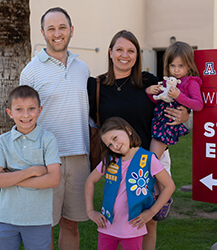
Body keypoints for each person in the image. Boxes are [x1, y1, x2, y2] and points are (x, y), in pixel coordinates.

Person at [87, 30, 189, 250]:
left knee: (148, 222)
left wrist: (185, 114)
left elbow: (178, 102)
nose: (125, 55)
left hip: (153, 159)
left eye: (131, 50)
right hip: (118, 163)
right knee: (120, 217)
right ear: (110, 52)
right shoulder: (96, 86)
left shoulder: (148, 81)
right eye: (120, 49)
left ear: (137, 55)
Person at [20, 7, 90, 250]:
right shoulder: (31, 71)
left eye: (62, 27)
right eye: (51, 28)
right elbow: (23, 119)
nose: (57, 33)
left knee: (71, 223)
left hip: (80, 156)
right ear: (42, 32)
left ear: (71, 31)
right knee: (44, 225)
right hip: (45, 159)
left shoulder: (83, 68)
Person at [85, 117, 175, 250]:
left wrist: (151, 212)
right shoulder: (110, 161)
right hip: (107, 226)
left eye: (115, 138)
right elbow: (90, 181)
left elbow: (169, 186)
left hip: (133, 227)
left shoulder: (148, 159)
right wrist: (90, 211)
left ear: (128, 131)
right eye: (109, 144)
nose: (114, 145)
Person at [0, 85, 61, 250]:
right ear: (10, 113)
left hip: (38, 219)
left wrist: (10, 178)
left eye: (31, 109)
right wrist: (33, 171)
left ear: (39, 110)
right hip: (6, 217)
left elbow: (53, 179)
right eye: (19, 109)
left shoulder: (48, 139)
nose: (26, 115)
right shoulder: (3, 140)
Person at [146, 41, 204, 160]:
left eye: (181, 66)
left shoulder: (191, 82)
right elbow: (160, 101)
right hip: (158, 121)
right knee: (156, 161)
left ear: (189, 66)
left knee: (152, 159)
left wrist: (179, 96)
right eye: (173, 66)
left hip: (167, 126)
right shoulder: (168, 81)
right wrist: (150, 93)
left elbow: (198, 105)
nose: (176, 70)